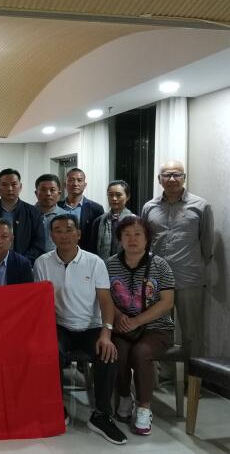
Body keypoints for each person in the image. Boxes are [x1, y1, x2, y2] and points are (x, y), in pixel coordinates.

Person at [34, 214, 126, 445]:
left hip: (90, 326)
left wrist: (106, 333)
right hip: (59, 325)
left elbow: (105, 301)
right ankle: (57, 407)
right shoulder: (42, 263)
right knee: (47, 352)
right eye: (58, 230)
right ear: (51, 235)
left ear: (78, 234)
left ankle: (101, 414)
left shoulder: (95, 262)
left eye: (69, 230)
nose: (64, 235)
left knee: (108, 354)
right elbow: (39, 302)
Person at [106, 216, 175, 436]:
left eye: (138, 234)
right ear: (120, 239)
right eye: (126, 234)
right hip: (121, 325)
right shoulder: (109, 265)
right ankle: (125, 396)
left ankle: (144, 408)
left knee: (142, 352)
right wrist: (119, 315)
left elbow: (167, 302)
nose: (132, 239)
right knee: (117, 352)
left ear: (147, 239)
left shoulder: (160, 265)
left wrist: (136, 321)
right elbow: (103, 297)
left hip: (156, 327)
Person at [141, 160, 214, 359]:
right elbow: (144, 242)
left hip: (189, 280)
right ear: (159, 179)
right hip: (157, 281)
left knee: (192, 334)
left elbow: (207, 245)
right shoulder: (149, 207)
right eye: (166, 175)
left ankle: (193, 376)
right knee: (160, 333)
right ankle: (166, 373)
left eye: (177, 174)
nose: (172, 179)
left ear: (184, 178)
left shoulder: (201, 206)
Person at [0, 168, 45, 264]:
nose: (10, 189)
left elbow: (38, 243)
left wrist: (22, 262)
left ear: (20, 187)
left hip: (24, 264)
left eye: (14, 184)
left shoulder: (32, 212)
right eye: (4, 185)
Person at [58, 168, 104, 253]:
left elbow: (99, 238)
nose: (75, 184)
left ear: (85, 185)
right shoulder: (57, 206)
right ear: (65, 184)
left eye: (79, 180)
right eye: (71, 180)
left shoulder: (96, 209)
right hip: (59, 253)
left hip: (86, 255)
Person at [91, 180, 134, 260]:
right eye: (110, 195)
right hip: (102, 265)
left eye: (118, 195)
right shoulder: (99, 221)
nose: (114, 198)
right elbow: (93, 249)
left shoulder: (134, 222)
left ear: (127, 197)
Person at [34, 173, 66, 252]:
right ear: (36, 193)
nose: (48, 194)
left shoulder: (67, 217)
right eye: (43, 190)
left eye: (52, 190)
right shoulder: (26, 214)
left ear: (59, 194)